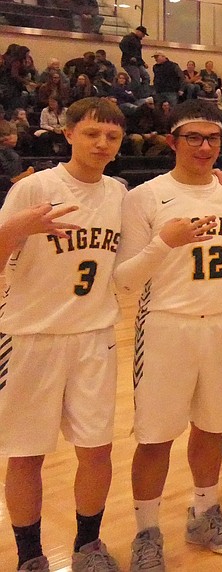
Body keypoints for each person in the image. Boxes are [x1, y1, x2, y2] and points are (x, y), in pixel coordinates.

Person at [114, 99, 222, 567]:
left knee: (213, 428)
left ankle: (204, 512)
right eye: (193, 137)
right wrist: (162, 243)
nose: (204, 146)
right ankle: (147, 530)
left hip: (221, 327)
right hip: (164, 329)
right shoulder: (144, 197)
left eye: (213, 137)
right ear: (173, 142)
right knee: (154, 438)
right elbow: (125, 278)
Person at [0, 98, 127, 572]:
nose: (102, 143)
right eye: (93, 133)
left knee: (97, 449)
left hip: (95, 336)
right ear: (69, 133)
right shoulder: (34, 189)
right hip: (30, 336)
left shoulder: (119, 194)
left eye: (112, 137)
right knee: (26, 454)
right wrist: (16, 227)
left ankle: (88, 546)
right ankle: (30, 556)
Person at [119, 25, 150, 93]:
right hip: (129, 63)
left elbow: (137, 54)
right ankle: (127, 91)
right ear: (138, 32)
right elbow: (122, 46)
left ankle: (143, 92)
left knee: (146, 77)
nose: (143, 36)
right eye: (143, 34)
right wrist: (130, 57)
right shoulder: (129, 38)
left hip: (137, 63)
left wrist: (143, 62)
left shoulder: (136, 40)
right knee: (136, 80)